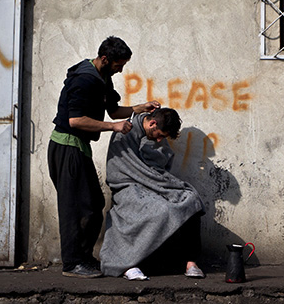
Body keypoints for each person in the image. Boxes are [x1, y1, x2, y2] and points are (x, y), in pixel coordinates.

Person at [49, 36, 159, 278]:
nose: (121, 69)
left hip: (78, 147)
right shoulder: (85, 80)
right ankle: (72, 264)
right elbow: (75, 120)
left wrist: (139, 108)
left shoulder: (102, 77)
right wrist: (113, 127)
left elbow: (114, 109)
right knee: (74, 208)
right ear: (105, 59)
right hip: (66, 148)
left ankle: (84, 258)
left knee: (93, 204)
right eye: (119, 64)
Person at [100, 107, 206, 280]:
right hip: (128, 186)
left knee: (191, 199)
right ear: (152, 123)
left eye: (162, 137)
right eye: (159, 135)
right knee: (162, 210)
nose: (159, 139)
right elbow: (118, 169)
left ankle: (191, 263)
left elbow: (159, 162)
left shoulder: (154, 134)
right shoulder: (125, 131)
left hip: (154, 183)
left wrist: (152, 149)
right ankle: (130, 262)